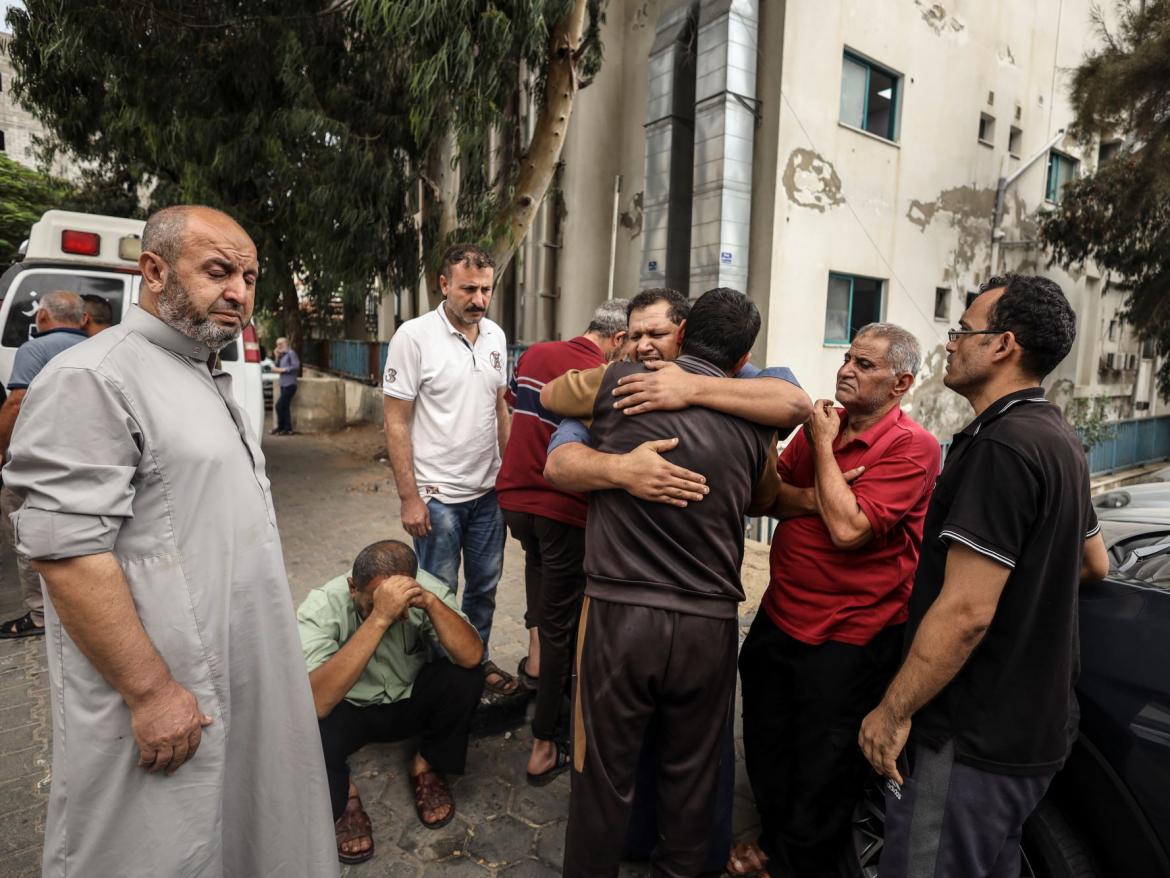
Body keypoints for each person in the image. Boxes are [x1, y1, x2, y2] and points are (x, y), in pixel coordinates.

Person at [2, 205, 338, 877]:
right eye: (219, 271)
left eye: (249, 276)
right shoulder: (93, 377)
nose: (240, 292)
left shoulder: (200, 373)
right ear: (153, 271)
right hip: (162, 692)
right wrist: (152, 693)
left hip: (235, 670)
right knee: (154, 849)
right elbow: (65, 556)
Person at [859, 275, 1110, 878]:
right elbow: (1092, 561)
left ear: (1003, 345)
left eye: (963, 331)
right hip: (1034, 735)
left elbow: (967, 613)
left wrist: (891, 714)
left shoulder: (1002, 447)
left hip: (970, 740)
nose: (950, 343)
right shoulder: (1057, 438)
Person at [548, 288, 785, 878]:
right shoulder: (757, 417)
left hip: (620, 613)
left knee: (601, 775)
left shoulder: (618, 385)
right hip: (709, 624)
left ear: (684, 332)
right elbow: (764, 496)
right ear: (743, 354)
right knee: (694, 778)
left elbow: (552, 395)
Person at [730, 323, 940, 878]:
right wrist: (830, 492)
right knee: (768, 740)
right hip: (779, 617)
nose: (846, 368)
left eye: (865, 364)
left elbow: (849, 530)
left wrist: (823, 452)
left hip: (850, 636)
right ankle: (774, 840)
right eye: (848, 357)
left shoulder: (913, 447)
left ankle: (795, 863)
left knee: (824, 766)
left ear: (901, 383)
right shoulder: (829, 423)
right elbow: (765, 498)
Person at [496, 299, 629, 783]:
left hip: (514, 500)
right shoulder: (603, 375)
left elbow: (510, 413)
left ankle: (534, 662)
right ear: (618, 339)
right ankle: (544, 743)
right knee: (561, 629)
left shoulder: (534, 355)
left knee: (539, 579)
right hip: (560, 509)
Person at [383, 243, 516, 697]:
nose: (478, 300)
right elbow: (396, 420)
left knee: (485, 588)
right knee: (437, 595)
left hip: (489, 495)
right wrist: (409, 497)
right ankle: (441, 680)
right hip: (437, 497)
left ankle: (473, 662)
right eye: (467, 289)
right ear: (444, 285)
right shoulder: (413, 337)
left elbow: (501, 410)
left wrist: (511, 479)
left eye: (485, 290)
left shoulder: (496, 337)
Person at [297, 540, 484, 863]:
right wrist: (378, 618)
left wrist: (429, 602)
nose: (396, 614)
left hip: (407, 699)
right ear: (352, 587)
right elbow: (316, 702)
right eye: (370, 603)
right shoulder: (320, 608)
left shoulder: (423, 590)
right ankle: (345, 798)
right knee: (303, 717)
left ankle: (426, 763)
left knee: (465, 676)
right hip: (350, 710)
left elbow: (471, 656)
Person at [0, 290, 87, 639]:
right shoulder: (98, 346)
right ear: (83, 319)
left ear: (42, 318)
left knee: (27, 534)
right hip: (86, 460)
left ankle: (40, 615)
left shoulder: (33, 349)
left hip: (40, 463)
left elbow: (17, 401)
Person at [271, 335, 301, 435]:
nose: (278, 346)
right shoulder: (282, 355)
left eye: (280, 344)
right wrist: (276, 356)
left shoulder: (291, 353)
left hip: (290, 384)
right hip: (283, 384)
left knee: (279, 406)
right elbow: (276, 366)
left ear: (286, 344)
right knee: (285, 407)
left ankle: (281, 427)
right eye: (277, 345)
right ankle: (287, 429)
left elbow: (296, 366)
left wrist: (281, 370)